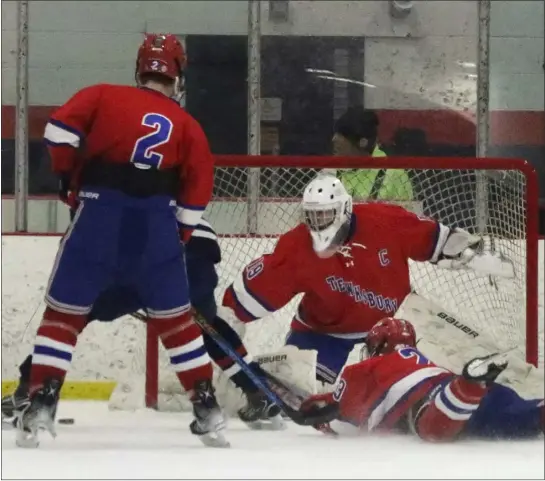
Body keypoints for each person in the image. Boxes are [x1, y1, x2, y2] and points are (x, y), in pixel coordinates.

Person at [14, 33, 225, 448]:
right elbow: (198, 191)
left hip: (99, 214)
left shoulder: (101, 95)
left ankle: (41, 403)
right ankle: (207, 408)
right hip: (158, 224)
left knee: (64, 316)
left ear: (140, 69)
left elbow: (58, 134)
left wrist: (68, 177)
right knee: (178, 323)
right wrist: (175, 235)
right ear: (177, 76)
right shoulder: (188, 125)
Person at [3, 217, 283, 432]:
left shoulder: (109, 163)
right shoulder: (167, 152)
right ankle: (256, 389)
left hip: (152, 251)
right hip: (198, 245)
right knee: (205, 326)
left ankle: (31, 388)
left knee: (73, 313)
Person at [222, 174, 496, 388]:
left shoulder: (385, 221)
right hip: (322, 331)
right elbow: (250, 296)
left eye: (326, 214)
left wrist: (469, 252)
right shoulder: (296, 247)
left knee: (408, 387)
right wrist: (226, 319)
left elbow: (436, 240)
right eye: (312, 215)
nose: (318, 223)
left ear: (344, 209)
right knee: (300, 390)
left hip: (391, 327)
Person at [300, 317, 544, 441]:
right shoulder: (422, 359)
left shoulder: (367, 367)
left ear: (380, 345)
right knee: (525, 418)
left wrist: (312, 410)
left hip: (429, 400)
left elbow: (335, 411)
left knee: (434, 432)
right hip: (458, 385)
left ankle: (467, 387)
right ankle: (473, 384)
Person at [331, 106, 413, 202]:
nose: (334, 139)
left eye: (342, 135)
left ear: (362, 142)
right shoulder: (330, 171)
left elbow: (407, 213)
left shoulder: (393, 173)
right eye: (335, 134)